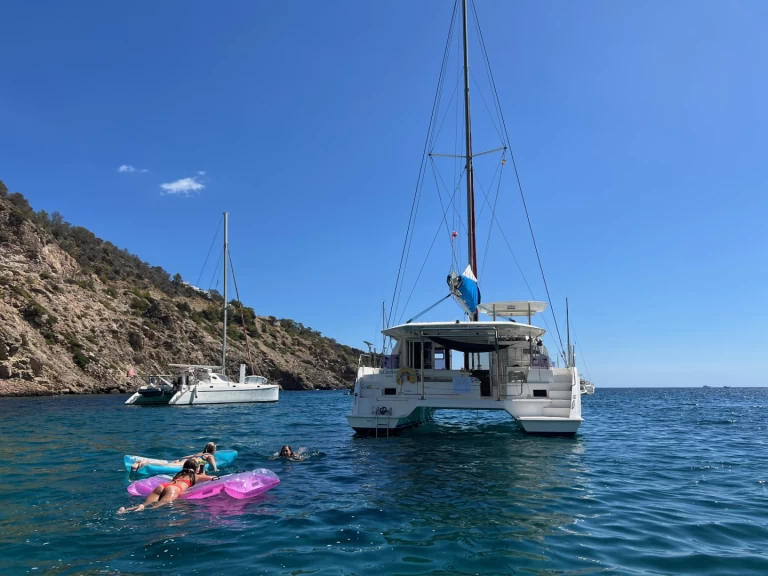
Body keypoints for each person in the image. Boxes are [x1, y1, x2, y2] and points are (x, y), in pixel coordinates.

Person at [119, 459, 216, 513]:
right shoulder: (196, 476)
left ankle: (125, 510)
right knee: (157, 506)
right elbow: (213, 478)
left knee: (144, 504)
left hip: (163, 486)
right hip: (174, 489)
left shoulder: (179, 473)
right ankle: (138, 509)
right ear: (195, 469)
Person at [130, 442, 218, 473]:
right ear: (213, 450)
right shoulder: (209, 455)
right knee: (168, 466)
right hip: (185, 463)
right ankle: (144, 462)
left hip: (184, 460)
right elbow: (212, 461)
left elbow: (186, 456)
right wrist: (215, 469)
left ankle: (144, 461)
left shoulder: (200, 453)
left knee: (169, 463)